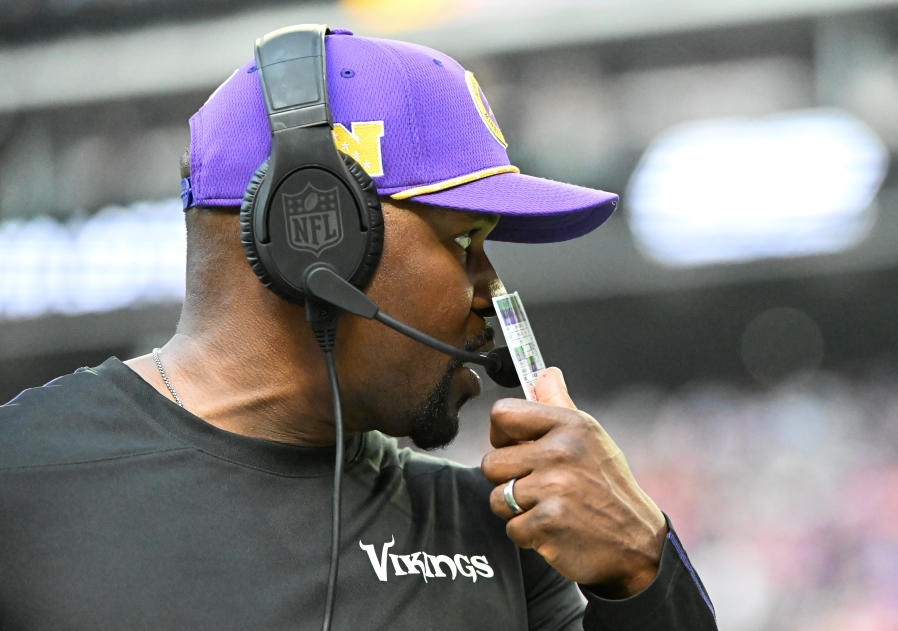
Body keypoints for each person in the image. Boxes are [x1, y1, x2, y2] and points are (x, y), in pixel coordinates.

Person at [0, 25, 716, 630]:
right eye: (466, 241)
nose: (492, 288)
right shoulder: (22, 480)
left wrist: (642, 572)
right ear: (317, 236)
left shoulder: (502, 537)